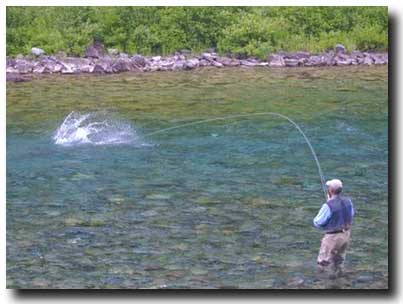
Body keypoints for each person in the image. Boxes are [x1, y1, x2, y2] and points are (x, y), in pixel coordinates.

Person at [313, 179, 354, 276]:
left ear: (330, 190)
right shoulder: (348, 201)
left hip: (332, 237)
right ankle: (338, 279)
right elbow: (351, 214)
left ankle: (322, 282)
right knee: (339, 260)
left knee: (323, 262)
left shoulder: (328, 205)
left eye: (328, 188)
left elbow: (318, 222)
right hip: (346, 234)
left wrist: (328, 205)